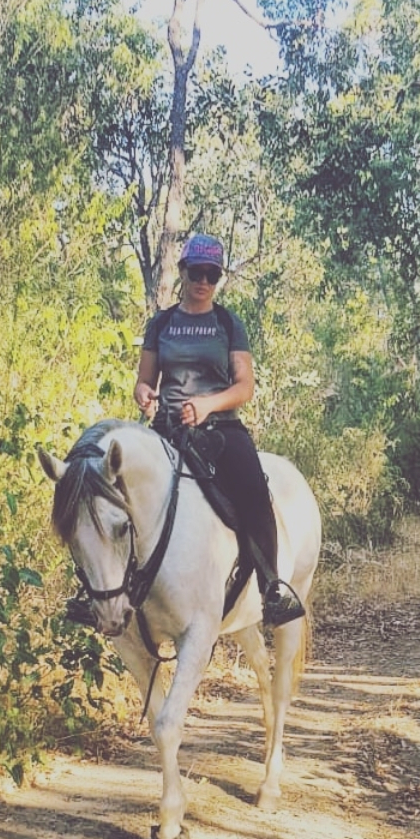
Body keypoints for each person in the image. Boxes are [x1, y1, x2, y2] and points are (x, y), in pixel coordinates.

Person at [133, 233, 305, 627]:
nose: (204, 281)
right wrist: (145, 393)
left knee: (255, 494)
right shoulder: (161, 324)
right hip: (167, 429)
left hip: (220, 429)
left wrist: (208, 404)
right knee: (116, 484)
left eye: (212, 274)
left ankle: (271, 589)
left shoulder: (228, 323)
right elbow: (144, 381)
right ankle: (103, 593)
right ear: (183, 271)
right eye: (198, 272)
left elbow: (245, 387)